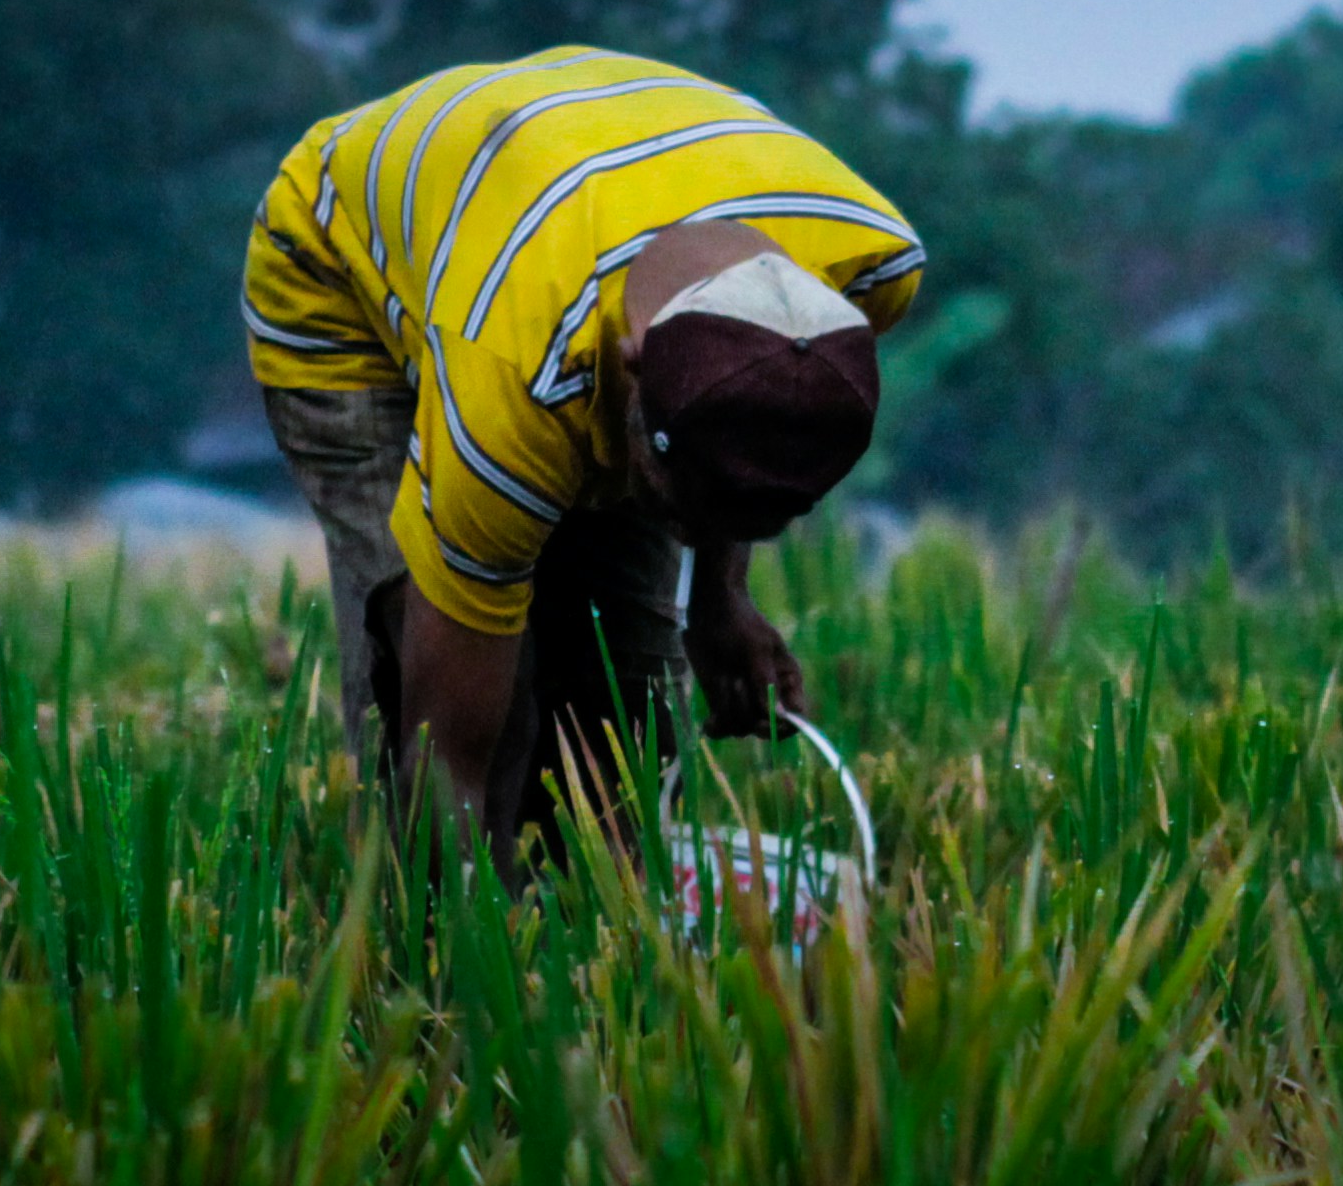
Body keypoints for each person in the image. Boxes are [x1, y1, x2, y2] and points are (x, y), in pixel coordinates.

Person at [240, 46, 923, 856]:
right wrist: (467, 945)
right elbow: (448, 751)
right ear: (632, 371)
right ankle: (415, 944)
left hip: (584, 193)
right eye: (677, 508)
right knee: (468, 712)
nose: (692, 535)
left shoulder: (868, 275)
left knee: (624, 706)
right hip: (341, 276)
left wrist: (718, 602)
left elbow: (748, 415)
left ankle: (600, 929)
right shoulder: (515, 377)